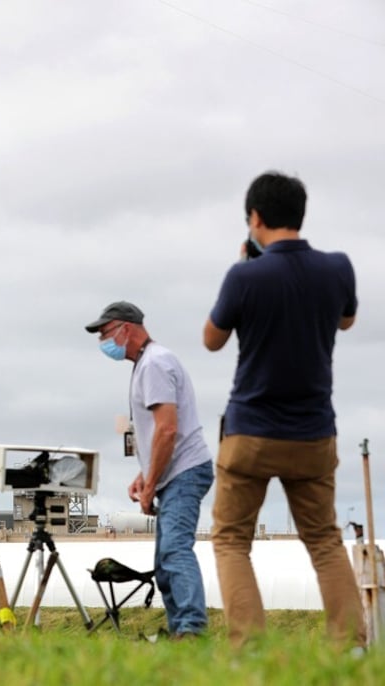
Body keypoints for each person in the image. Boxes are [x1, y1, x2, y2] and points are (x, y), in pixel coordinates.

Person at [204, 171, 366, 649]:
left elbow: (211, 340)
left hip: (250, 431)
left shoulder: (244, 275)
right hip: (314, 433)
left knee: (232, 540)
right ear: (300, 214)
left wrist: (241, 270)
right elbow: (348, 320)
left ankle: (249, 651)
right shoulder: (338, 268)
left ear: (255, 219)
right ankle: (352, 647)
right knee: (324, 541)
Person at [86, 302, 214, 639]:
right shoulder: (148, 363)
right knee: (165, 561)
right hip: (177, 472)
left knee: (174, 552)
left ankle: (191, 631)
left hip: (184, 472)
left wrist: (151, 483)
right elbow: (166, 433)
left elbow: (168, 429)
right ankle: (180, 631)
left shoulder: (154, 364)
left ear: (126, 329)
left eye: (105, 333)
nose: (103, 341)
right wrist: (145, 476)